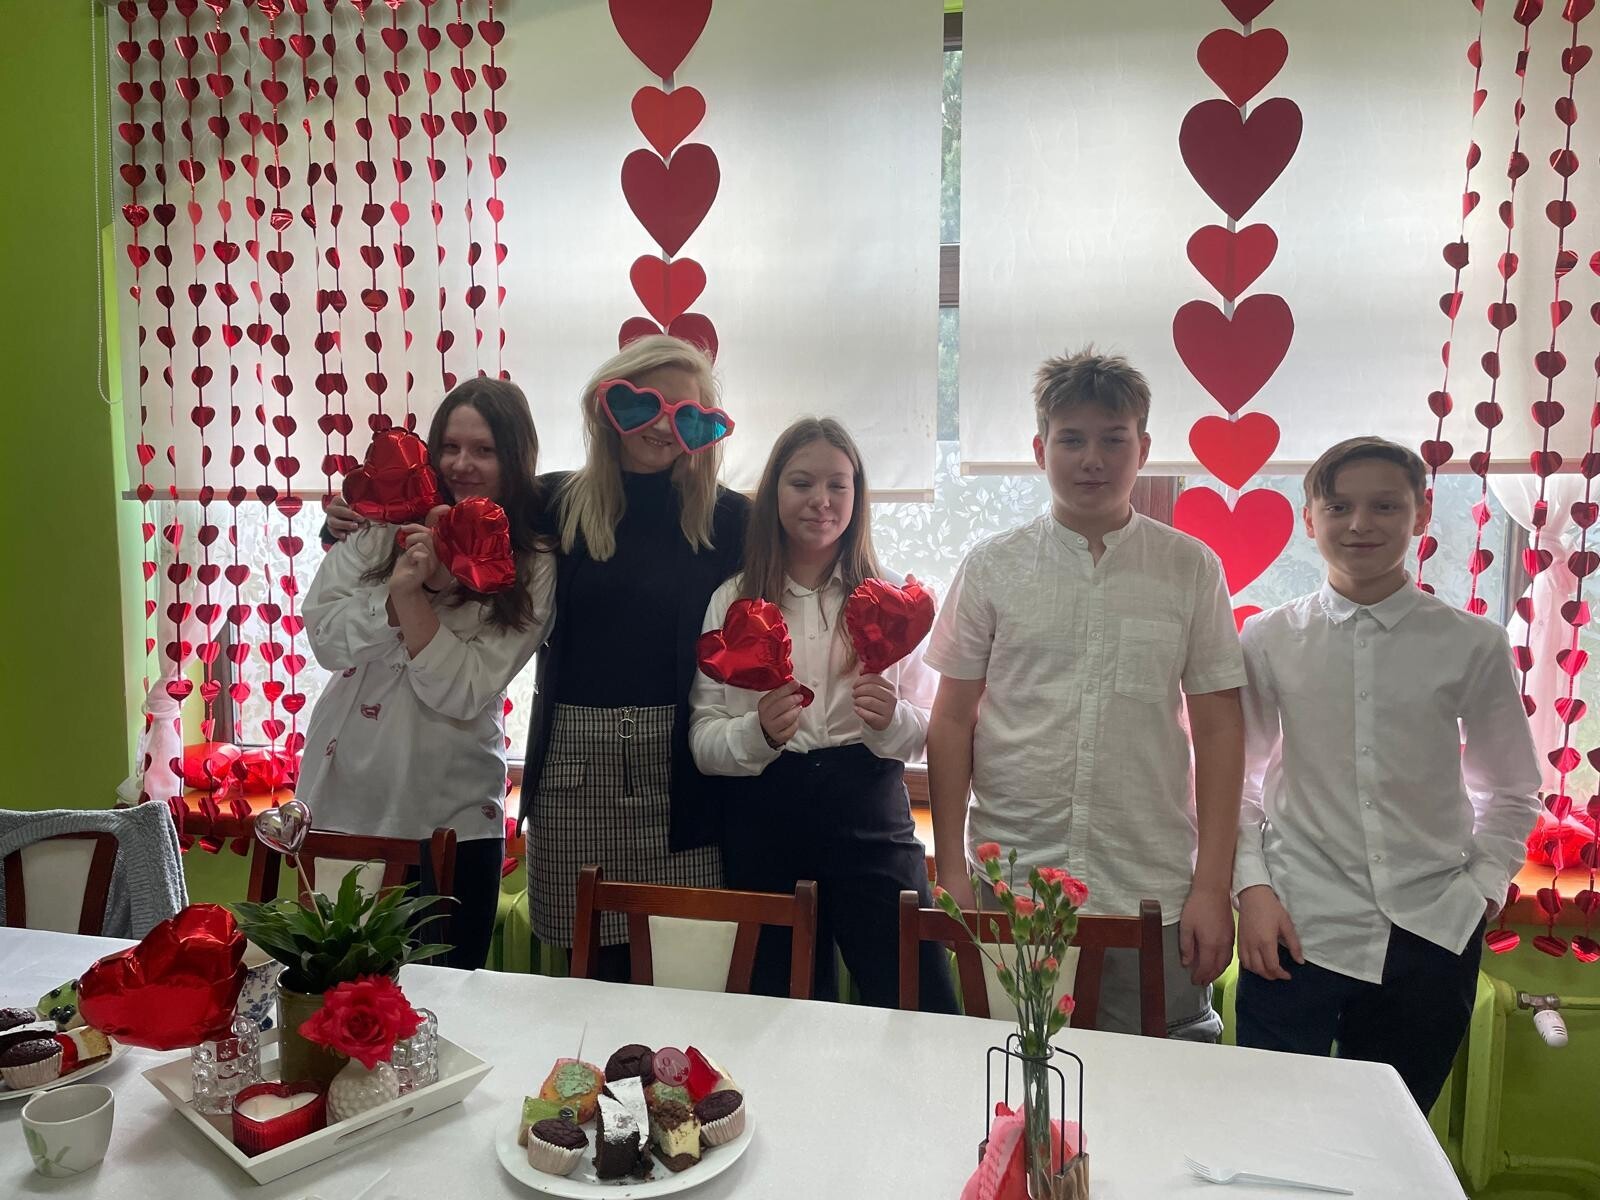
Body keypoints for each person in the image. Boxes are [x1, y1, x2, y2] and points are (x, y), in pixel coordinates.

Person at [924, 348, 1245, 1039]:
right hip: (1015, 883)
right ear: (1040, 450)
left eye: (1113, 439)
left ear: (1143, 449)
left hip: (1149, 885)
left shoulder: (1190, 568)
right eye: (1071, 439)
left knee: (1159, 1079)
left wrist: (1213, 886)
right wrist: (950, 868)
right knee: (1012, 1069)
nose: (1092, 459)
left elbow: (1220, 730)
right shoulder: (992, 567)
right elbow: (950, 722)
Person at [1233, 437, 1539, 1112]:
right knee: (1271, 1122)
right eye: (1338, 506)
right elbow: (1237, 780)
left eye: (1385, 506)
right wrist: (1251, 889)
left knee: (1392, 1135)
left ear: (1421, 514)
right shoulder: (1269, 638)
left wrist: (1483, 886)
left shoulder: (1472, 643)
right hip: (1295, 924)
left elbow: (1513, 788)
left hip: (1433, 930)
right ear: (1309, 519)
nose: (1360, 524)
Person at [688, 418, 959, 1011]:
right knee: (776, 1012)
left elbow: (933, 730)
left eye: (838, 485)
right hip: (766, 821)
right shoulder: (733, 601)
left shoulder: (893, 599)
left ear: (858, 495)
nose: (821, 500)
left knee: (920, 1003)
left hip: (870, 815)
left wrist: (893, 722)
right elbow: (702, 741)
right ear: (774, 493)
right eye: (802, 483)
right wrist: (757, 734)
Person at [299, 378, 556, 970]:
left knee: (447, 1001)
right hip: (345, 804)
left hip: (453, 818)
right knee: (339, 995)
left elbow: (461, 689)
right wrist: (398, 594)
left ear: (515, 458)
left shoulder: (533, 561)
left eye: (485, 450)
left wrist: (420, 594)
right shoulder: (379, 526)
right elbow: (326, 639)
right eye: (450, 447)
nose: (463, 464)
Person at [523, 336, 745, 976]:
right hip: (573, 773)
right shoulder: (553, 502)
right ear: (610, 404)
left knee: (688, 971)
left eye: (686, 414)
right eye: (647, 404)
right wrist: (344, 519)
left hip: (685, 774)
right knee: (587, 977)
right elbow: (453, 507)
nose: (664, 427)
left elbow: (820, 537)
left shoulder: (730, 520)